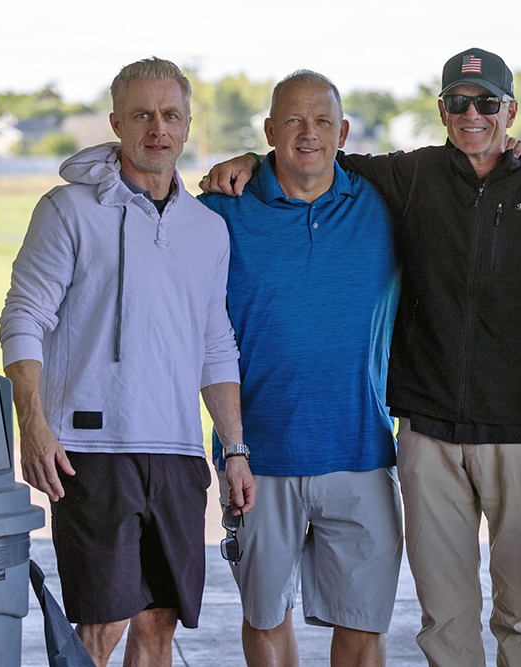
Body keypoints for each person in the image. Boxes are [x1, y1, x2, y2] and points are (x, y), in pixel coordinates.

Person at [201, 48, 521, 667]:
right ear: (442, 110)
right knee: (446, 619)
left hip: (520, 434)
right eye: (459, 103)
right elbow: (312, 161)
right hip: (426, 433)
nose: (473, 114)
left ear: (510, 110)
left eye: (488, 103)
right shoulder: (410, 176)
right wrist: (248, 161)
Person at [0, 57, 255, 667]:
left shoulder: (207, 229)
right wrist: (32, 425)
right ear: (117, 121)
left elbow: (215, 343)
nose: (157, 129)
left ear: (188, 125)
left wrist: (235, 450)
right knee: (102, 624)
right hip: (91, 451)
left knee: (158, 624)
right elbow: (23, 318)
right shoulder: (67, 210)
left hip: (178, 452)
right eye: (142, 114)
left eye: (171, 115)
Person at [198, 70, 402, 667]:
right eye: (292, 120)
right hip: (259, 459)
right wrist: (234, 448)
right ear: (268, 131)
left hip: (361, 451)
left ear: (342, 132)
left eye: (321, 121)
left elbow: (477, 170)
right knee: (265, 619)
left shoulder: (385, 204)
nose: (307, 134)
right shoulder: (221, 211)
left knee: (363, 628)